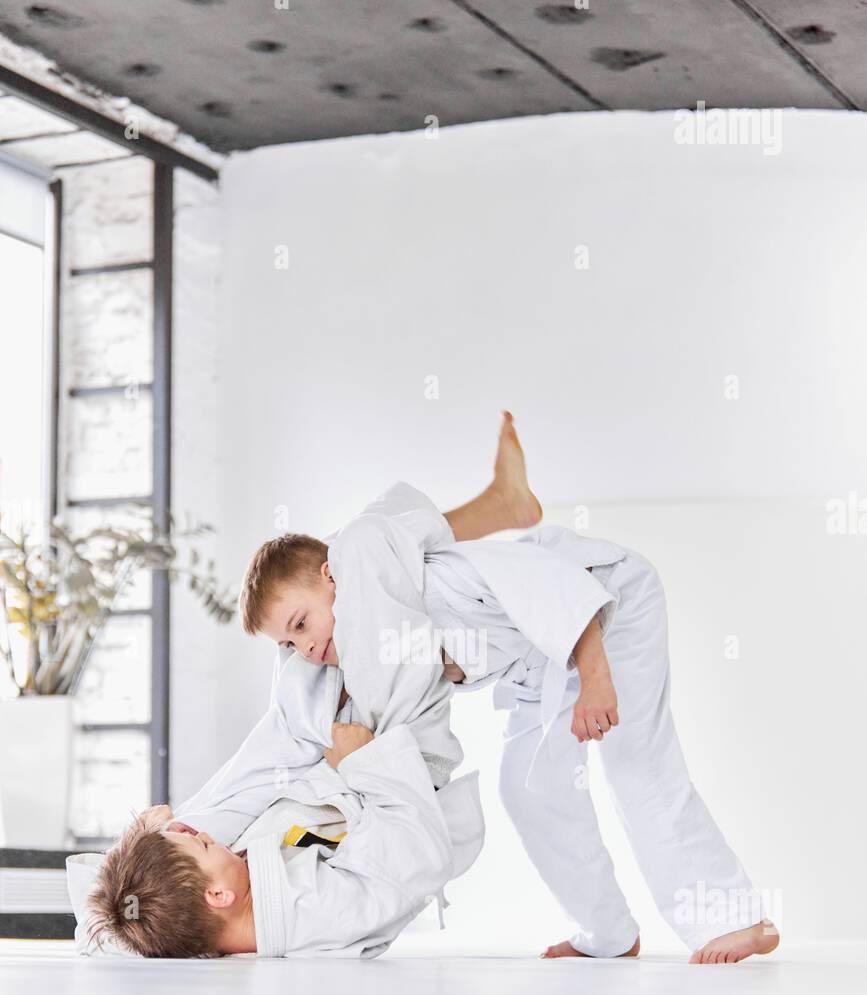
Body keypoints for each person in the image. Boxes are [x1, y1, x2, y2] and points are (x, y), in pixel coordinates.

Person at [223, 412, 778, 966]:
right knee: (528, 786)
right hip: (539, 666)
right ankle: (607, 931)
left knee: (637, 764)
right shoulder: (367, 653)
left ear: (332, 576)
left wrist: (596, 679)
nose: (306, 650)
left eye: (301, 625)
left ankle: (735, 919)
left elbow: (555, 584)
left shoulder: (438, 582)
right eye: (288, 646)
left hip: (606, 612)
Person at [68, 720, 483, 959]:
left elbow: (98, 930)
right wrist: (364, 764)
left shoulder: (205, 929)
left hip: (332, 772)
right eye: (206, 846)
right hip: (399, 777)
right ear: (217, 896)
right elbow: (415, 856)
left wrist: (138, 840)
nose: (208, 837)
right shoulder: (316, 910)